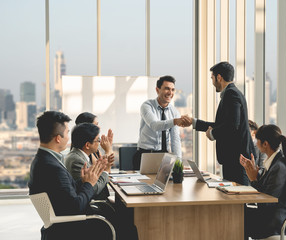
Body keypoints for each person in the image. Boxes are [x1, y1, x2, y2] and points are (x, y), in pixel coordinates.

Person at [28, 111, 113, 239]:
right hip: (71, 227)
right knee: (126, 223)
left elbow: (64, 192)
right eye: (67, 132)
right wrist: (89, 184)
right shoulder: (52, 167)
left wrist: (85, 180)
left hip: (63, 222)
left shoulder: (43, 160)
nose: (69, 137)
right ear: (58, 138)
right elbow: (75, 206)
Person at [182, 62, 255, 185]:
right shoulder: (231, 93)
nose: (212, 82)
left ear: (219, 77)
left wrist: (212, 134)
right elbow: (223, 124)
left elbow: (232, 126)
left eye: (212, 78)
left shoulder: (231, 94)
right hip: (234, 158)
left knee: (237, 199)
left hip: (237, 158)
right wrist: (194, 123)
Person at [239, 124, 286, 239]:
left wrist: (253, 179)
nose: (256, 143)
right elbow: (267, 192)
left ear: (265, 144)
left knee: (238, 218)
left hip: (277, 221)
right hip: (270, 215)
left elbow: (267, 200)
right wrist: (256, 174)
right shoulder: (273, 162)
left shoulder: (279, 167)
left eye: (257, 141)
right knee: (239, 214)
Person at [133, 75, 186, 169]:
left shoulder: (174, 112)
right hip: (145, 155)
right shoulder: (147, 106)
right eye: (167, 89)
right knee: (144, 183)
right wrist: (174, 121)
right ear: (157, 90)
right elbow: (155, 125)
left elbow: (175, 140)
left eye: (173, 90)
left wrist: (179, 164)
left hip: (164, 157)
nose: (170, 93)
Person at [65, 123, 113, 201]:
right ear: (87, 145)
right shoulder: (77, 160)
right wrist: (106, 171)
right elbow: (93, 189)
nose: (100, 143)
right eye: (98, 140)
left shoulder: (81, 156)